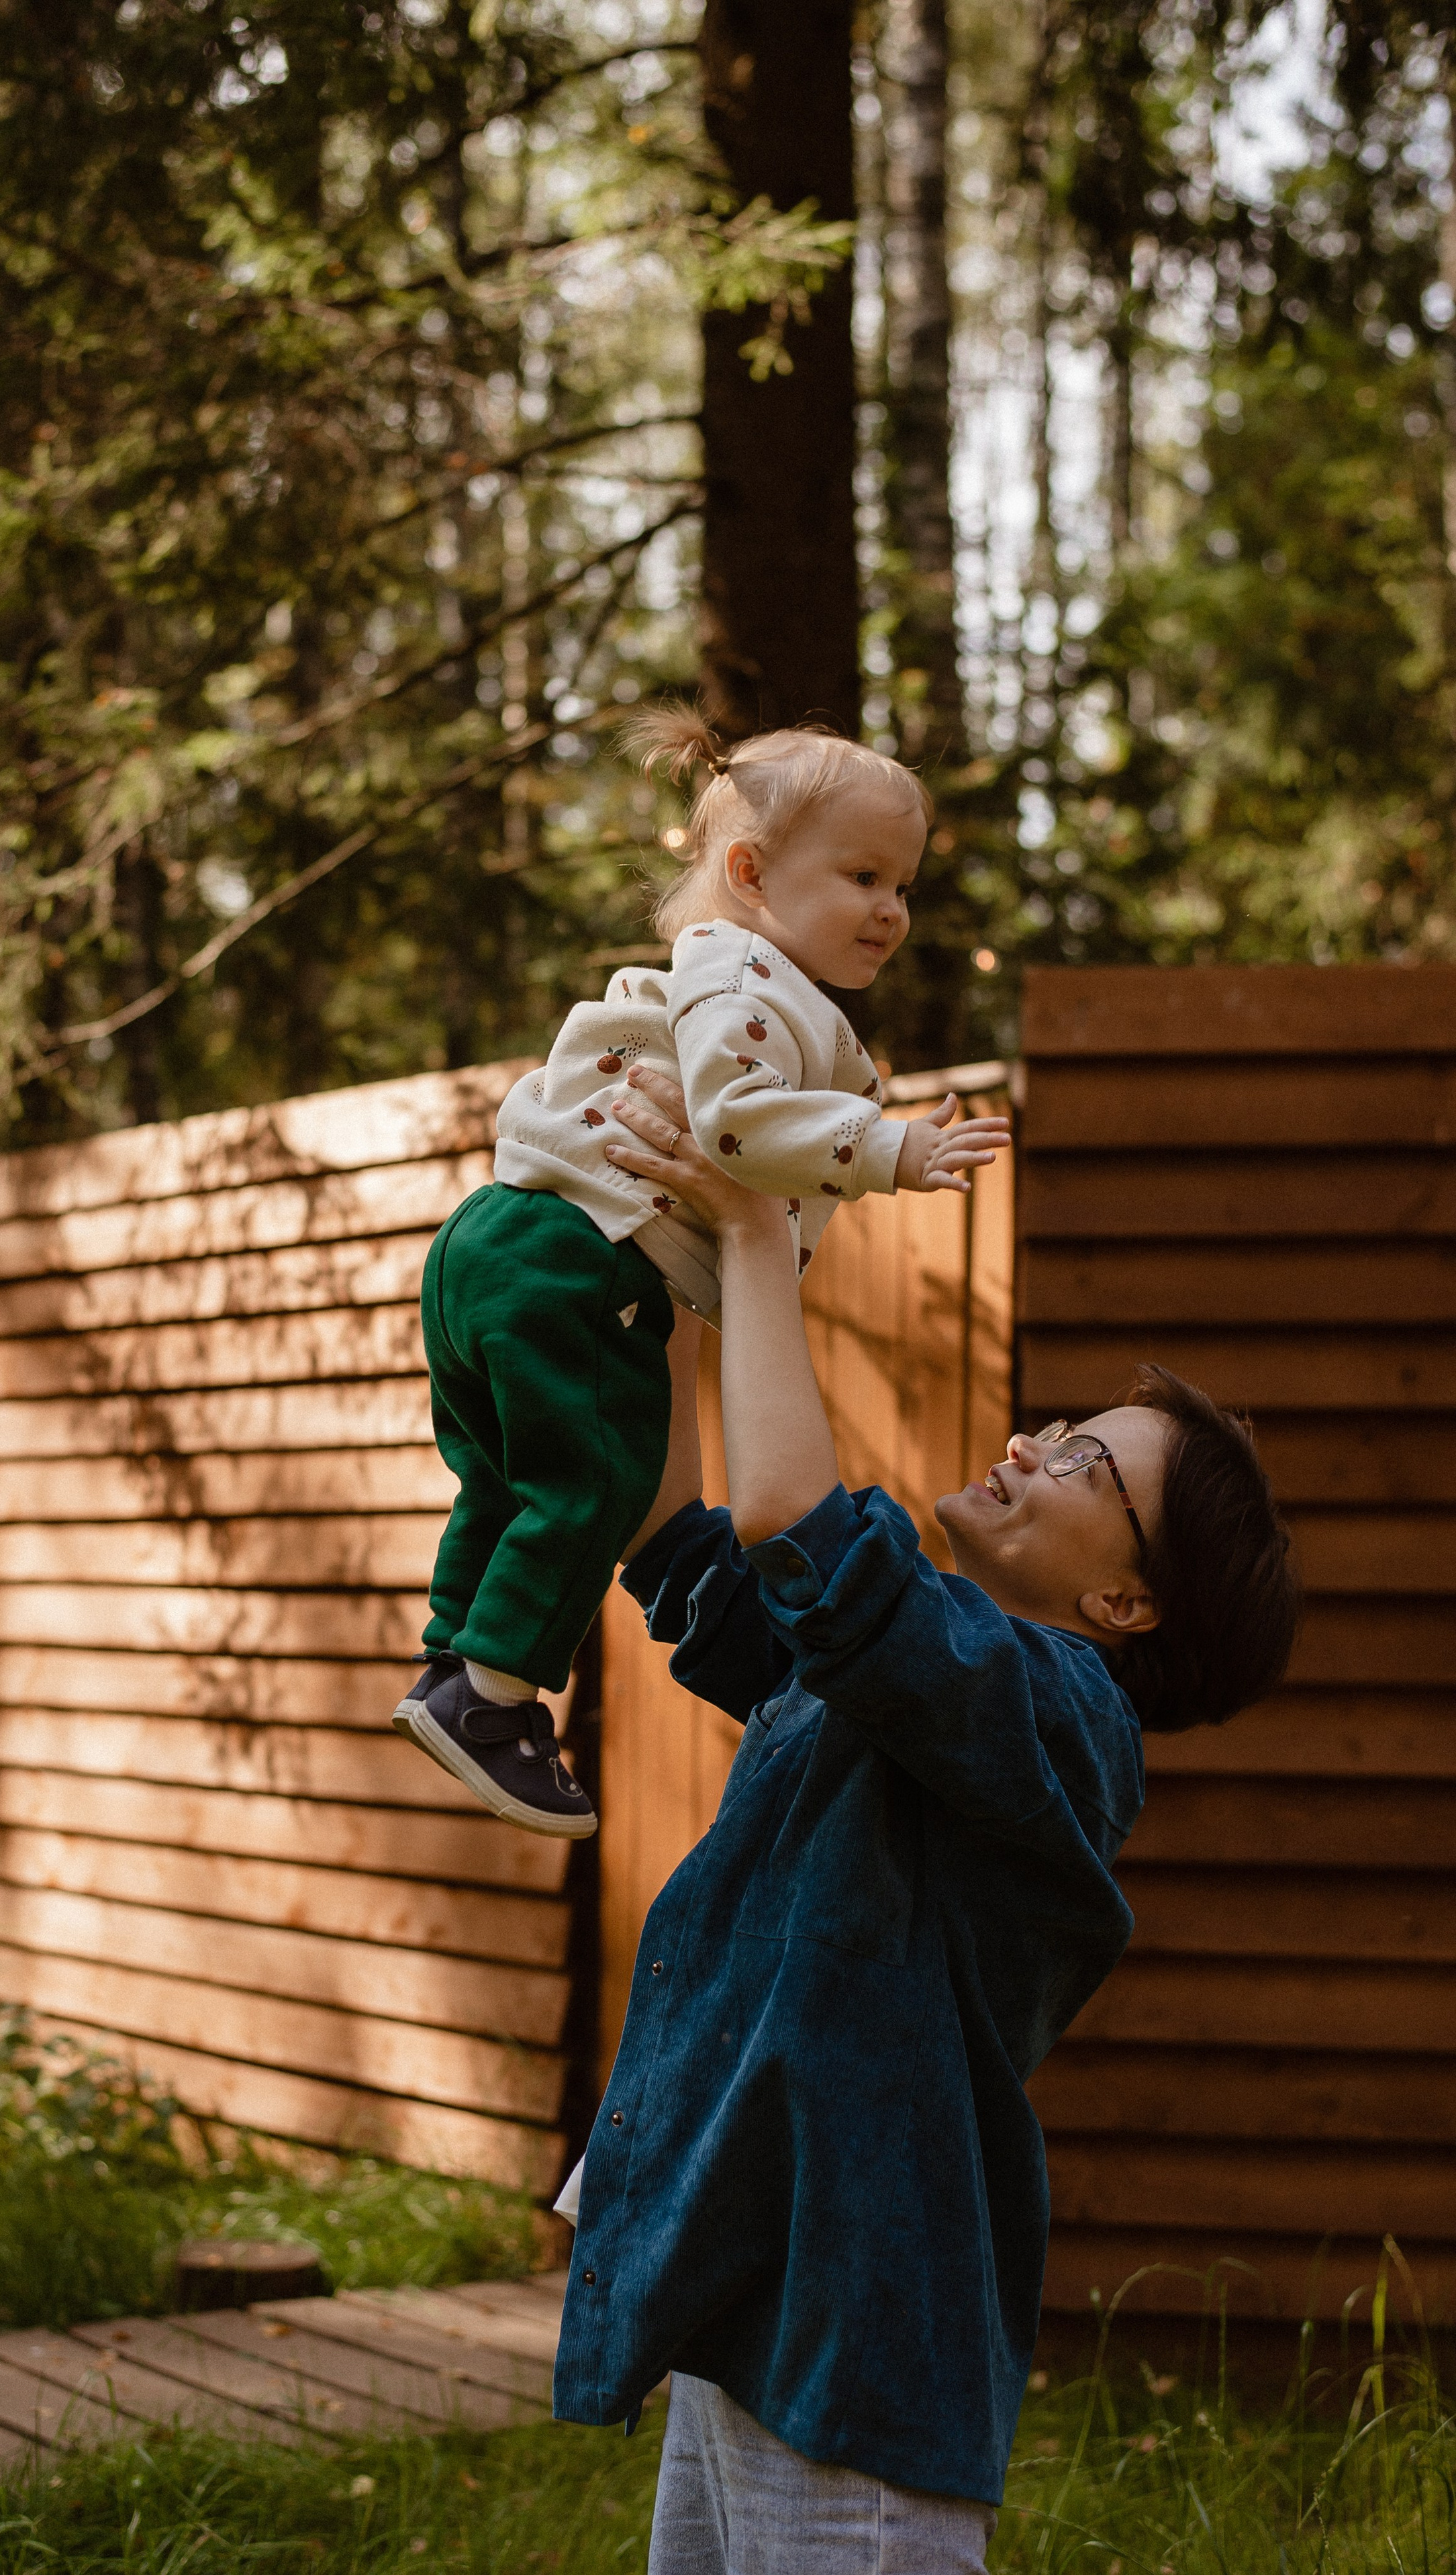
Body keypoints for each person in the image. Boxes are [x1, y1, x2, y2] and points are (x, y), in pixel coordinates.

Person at [551, 1066, 1300, 2574]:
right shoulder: (905, 1680)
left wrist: (757, 1233)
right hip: (764, 2294)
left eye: (1084, 1462)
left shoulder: (1056, 1719)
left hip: (867, 2348)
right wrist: (666, 1266)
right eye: (1062, 1426)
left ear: (1125, 1603)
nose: (1030, 1443)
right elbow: (686, 1544)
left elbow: (797, 1532)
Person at [393, 711, 1010, 1838]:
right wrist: (893, 1151)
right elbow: (736, 1124)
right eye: (864, 877)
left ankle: (454, 1665)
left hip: (498, 1239)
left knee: (511, 1477)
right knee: (602, 1481)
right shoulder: (750, 982)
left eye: (903, 886)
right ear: (749, 874)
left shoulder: (714, 975)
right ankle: (496, 1702)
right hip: (577, 1257)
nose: (892, 910)